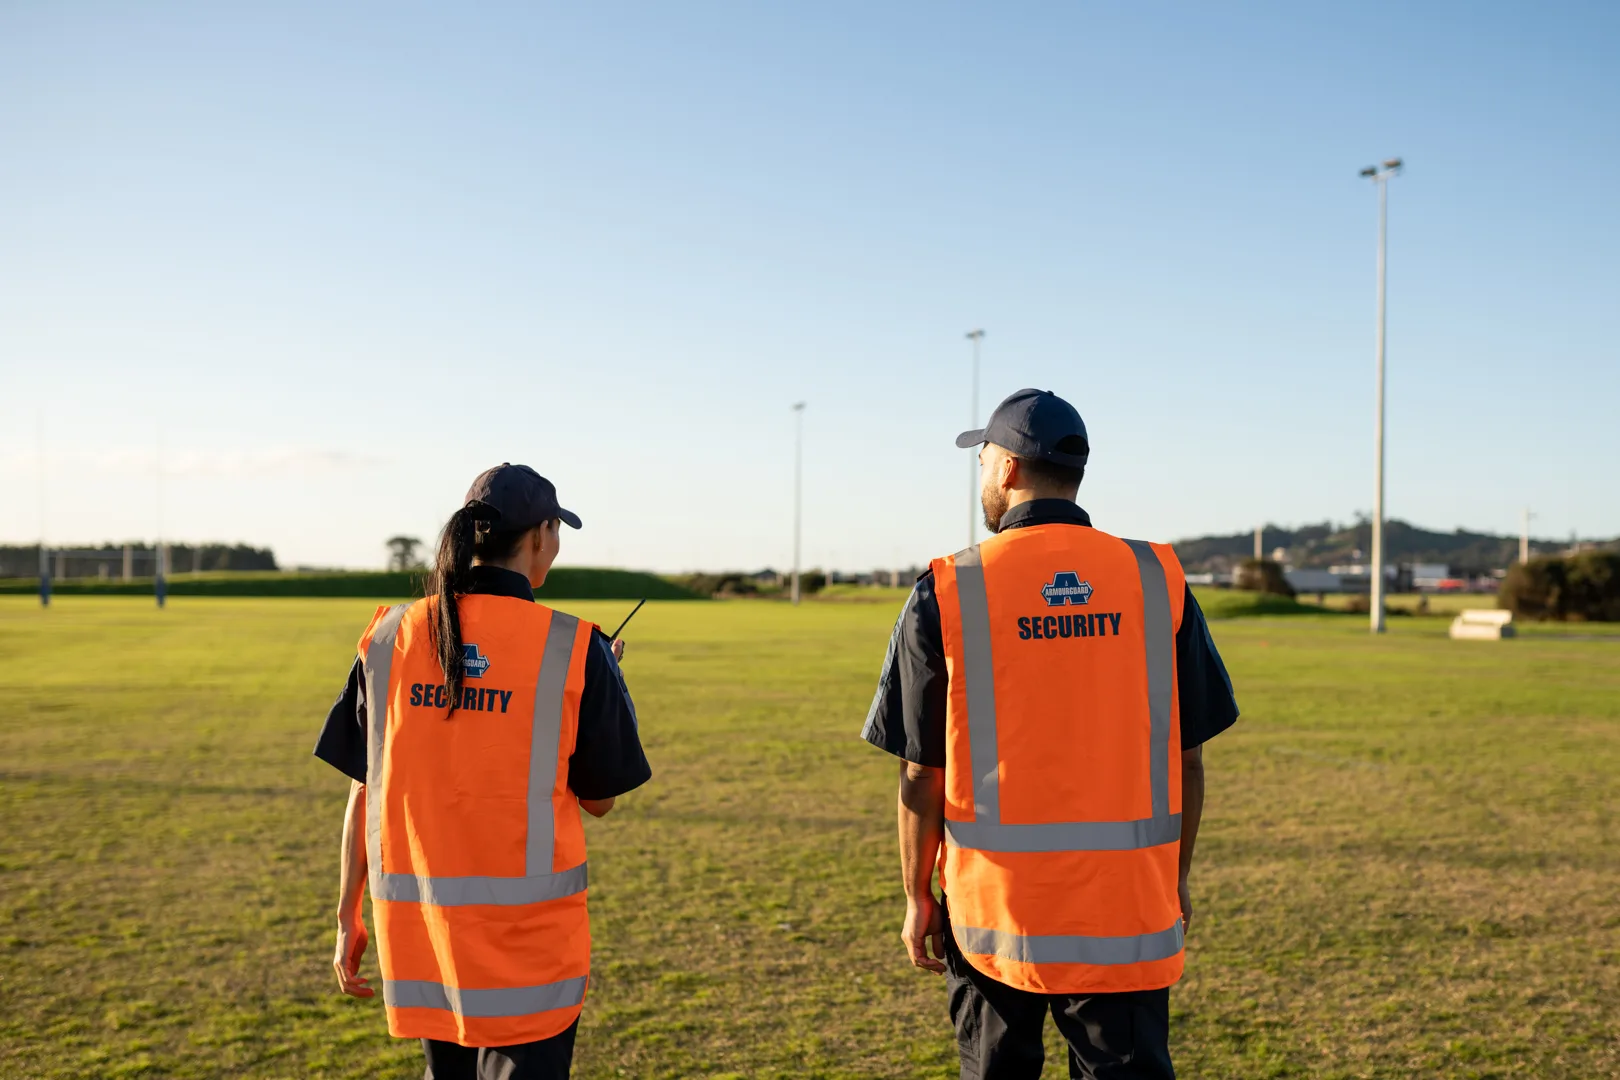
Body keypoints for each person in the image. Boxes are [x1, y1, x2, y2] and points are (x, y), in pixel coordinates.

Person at [861, 389, 1240, 1080]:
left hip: (992, 916)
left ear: (1006, 468)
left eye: (981, 460)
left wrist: (919, 896)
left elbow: (922, 772)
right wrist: (1175, 876)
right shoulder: (1156, 579)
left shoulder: (947, 589)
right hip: (1125, 909)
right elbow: (1188, 758)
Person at [314, 463, 651, 1080]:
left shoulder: (389, 636)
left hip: (424, 948)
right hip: (531, 960)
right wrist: (610, 680)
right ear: (542, 535)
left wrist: (347, 917)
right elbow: (600, 800)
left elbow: (364, 789)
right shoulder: (578, 648)